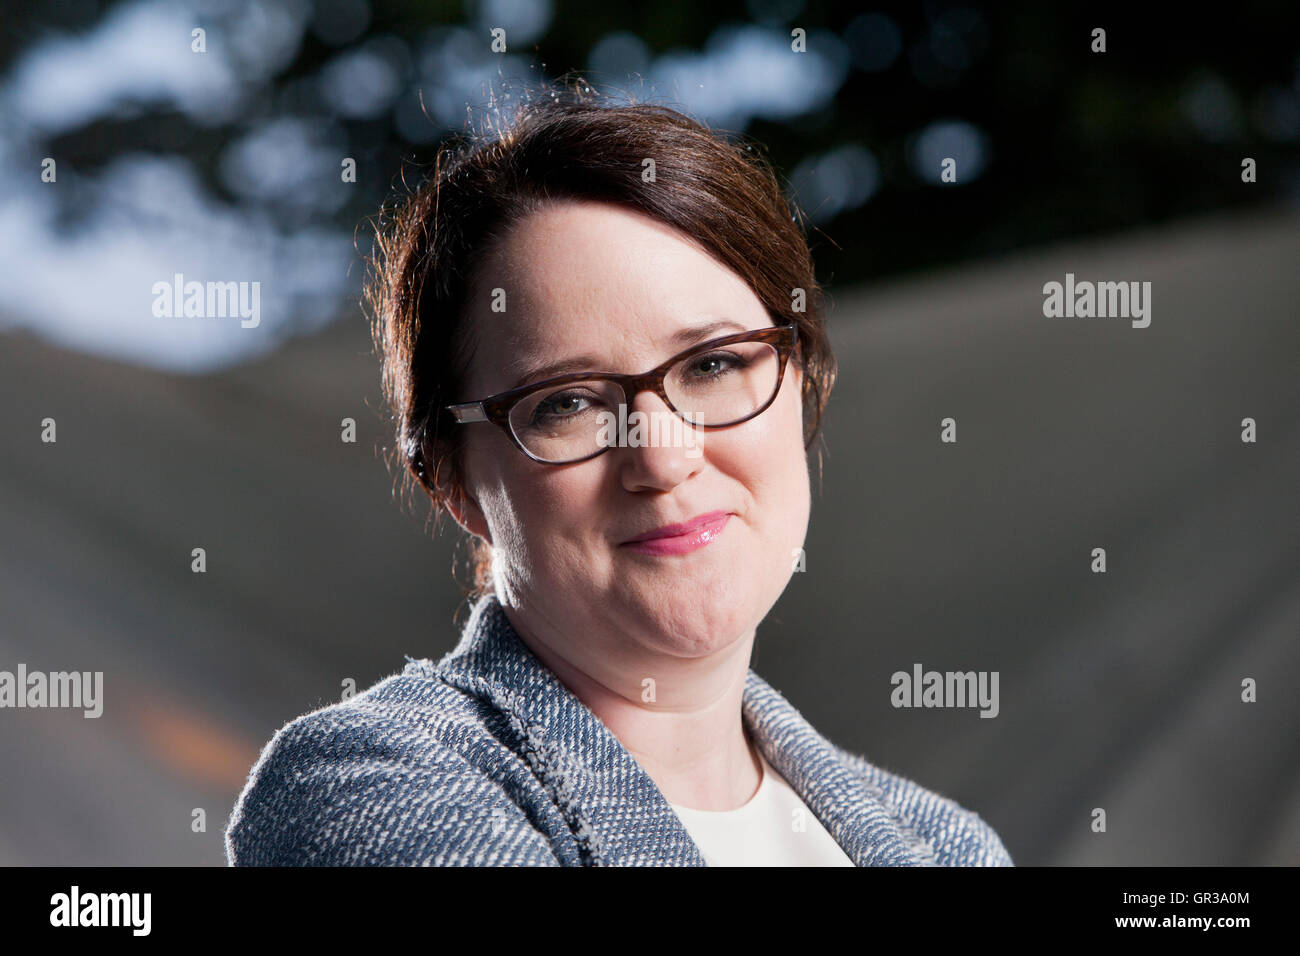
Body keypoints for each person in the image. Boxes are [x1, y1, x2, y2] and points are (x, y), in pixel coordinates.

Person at [224, 83, 1013, 867]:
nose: (665, 458)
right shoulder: (365, 784)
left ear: (800, 382)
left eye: (712, 364)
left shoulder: (949, 848)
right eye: (566, 402)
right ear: (453, 479)